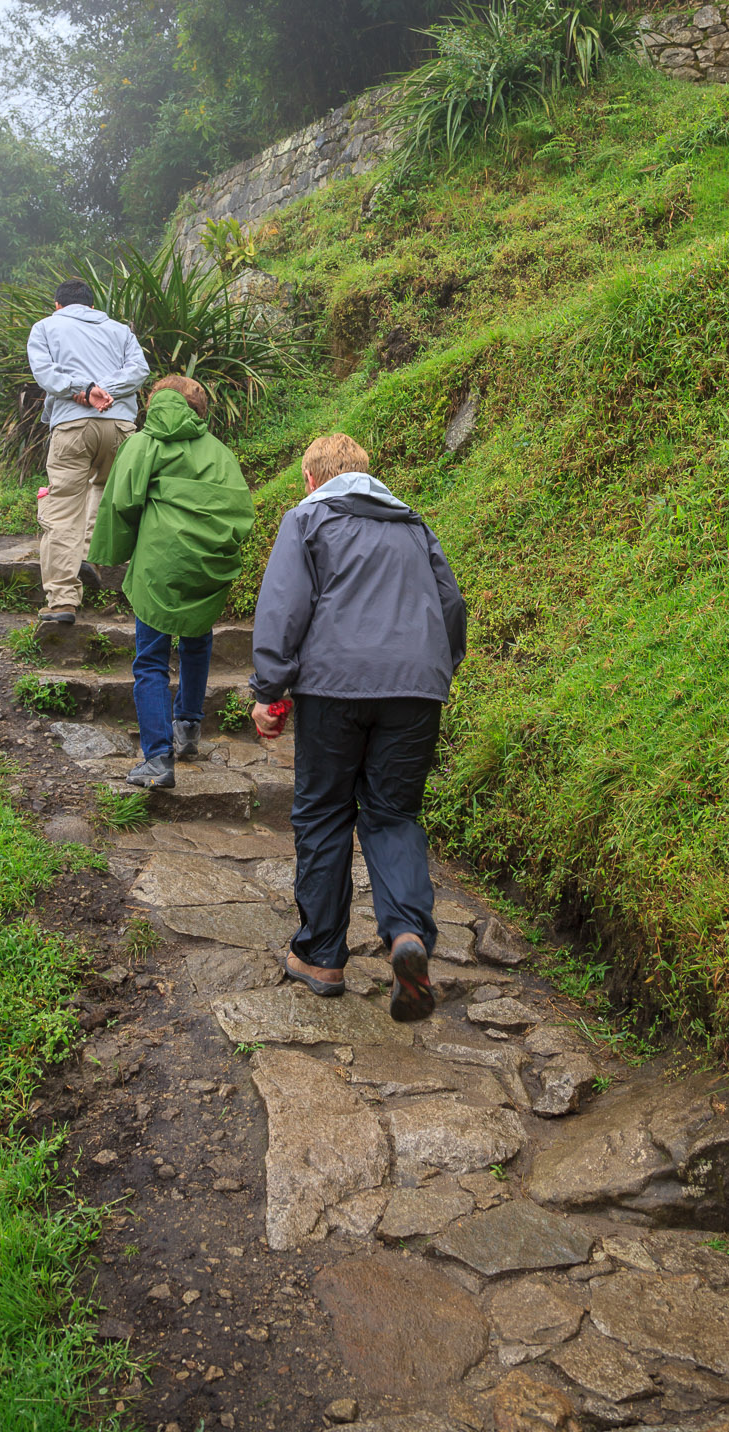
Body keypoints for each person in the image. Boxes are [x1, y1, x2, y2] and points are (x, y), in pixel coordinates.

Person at [249, 433, 467, 1023]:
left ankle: (321, 956)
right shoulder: (413, 525)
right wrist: (431, 669)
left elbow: (284, 606)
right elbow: (450, 606)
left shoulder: (307, 519)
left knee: (322, 813)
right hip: (416, 688)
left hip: (333, 689)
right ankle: (405, 936)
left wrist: (269, 689)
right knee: (392, 814)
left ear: (312, 479)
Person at [89, 374, 256, 788]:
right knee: (198, 641)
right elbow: (239, 509)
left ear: (157, 402)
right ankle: (188, 730)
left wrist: (121, 550)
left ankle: (158, 759)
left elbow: (123, 502)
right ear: (198, 411)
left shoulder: (142, 444)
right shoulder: (219, 453)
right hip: (205, 567)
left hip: (158, 566)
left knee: (150, 660)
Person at [27, 277, 150, 627]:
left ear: (57, 306)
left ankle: (63, 600)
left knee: (63, 508)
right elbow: (139, 370)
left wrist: (85, 390)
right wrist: (104, 390)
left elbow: (45, 374)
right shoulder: (119, 330)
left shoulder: (45, 327)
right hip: (120, 427)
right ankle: (87, 554)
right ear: (92, 307)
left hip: (73, 427)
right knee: (107, 489)